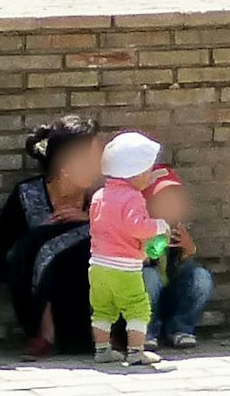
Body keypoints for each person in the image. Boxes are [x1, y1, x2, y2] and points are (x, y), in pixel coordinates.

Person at [0, 116, 100, 356]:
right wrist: (39, 246)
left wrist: (90, 219)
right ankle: (46, 333)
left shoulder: (101, 198)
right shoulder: (26, 196)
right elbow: (1, 260)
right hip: (38, 292)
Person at [86, 129, 168, 367]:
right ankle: (136, 351)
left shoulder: (100, 195)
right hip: (124, 267)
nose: (149, 176)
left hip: (98, 266)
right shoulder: (132, 197)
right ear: (136, 173)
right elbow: (136, 227)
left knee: (102, 309)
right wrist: (158, 226)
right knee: (138, 309)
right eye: (147, 171)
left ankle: (102, 350)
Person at [146, 154, 213, 348]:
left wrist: (187, 251)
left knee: (201, 277)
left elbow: (181, 272)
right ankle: (147, 332)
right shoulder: (141, 224)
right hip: (147, 296)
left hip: (171, 291)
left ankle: (180, 328)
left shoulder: (177, 227)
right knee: (148, 277)